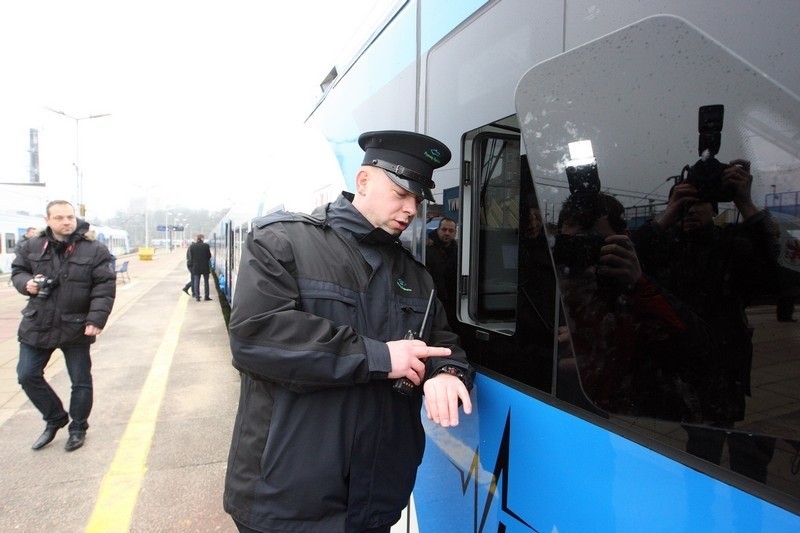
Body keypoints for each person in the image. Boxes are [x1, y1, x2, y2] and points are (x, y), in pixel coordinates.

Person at [223, 130, 474, 533]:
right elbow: (257, 336)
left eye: (418, 200)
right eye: (401, 194)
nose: (411, 209)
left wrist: (446, 374)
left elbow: (443, 345)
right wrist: (381, 357)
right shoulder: (282, 240)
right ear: (364, 181)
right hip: (289, 499)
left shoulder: (416, 275)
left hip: (376, 499)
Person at [633, 159, 780, 482]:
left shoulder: (732, 245)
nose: (691, 209)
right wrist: (668, 213)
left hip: (721, 370)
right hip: (675, 368)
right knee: (689, 450)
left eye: (700, 203)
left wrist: (745, 201)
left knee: (709, 445)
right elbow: (631, 263)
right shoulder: (666, 246)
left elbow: (779, 269)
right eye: (684, 202)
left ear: (716, 209)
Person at [553, 191, 709, 419]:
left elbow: (692, 352)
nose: (583, 254)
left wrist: (637, 283)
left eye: (595, 243)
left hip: (623, 421)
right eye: (573, 244)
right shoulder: (547, 285)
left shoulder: (641, 290)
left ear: (624, 240)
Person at [11, 200, 116, 452]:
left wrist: (96, 319)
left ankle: (78, 428)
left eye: (69, 217)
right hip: (38, 322)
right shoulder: (31, 246)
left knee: (80, 381)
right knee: (27, 375)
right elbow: (18, 271)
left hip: (76, 325)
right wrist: (26, 283)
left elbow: (104, 288)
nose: (66, 222)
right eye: (59, 218)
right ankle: (55, 418)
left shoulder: (94, 249)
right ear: (48, 220)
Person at [425, 216, 458, 327]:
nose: (447, 233)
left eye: (451, 230)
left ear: (455, 233)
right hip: (434, 301)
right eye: (444, 230)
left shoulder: (458, 251)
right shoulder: (427, 248)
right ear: (438, 230)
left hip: (454, 303)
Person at [187, 234, 212, 301]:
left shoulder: (192, 246)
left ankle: (197, 296)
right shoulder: (206, 246)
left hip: (196, 267)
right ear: (202, 238)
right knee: (206, 282)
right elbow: (209, 256)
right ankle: (206, 296)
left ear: (197, 239)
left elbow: (191, 257)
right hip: (205, 266)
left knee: (196, 282)